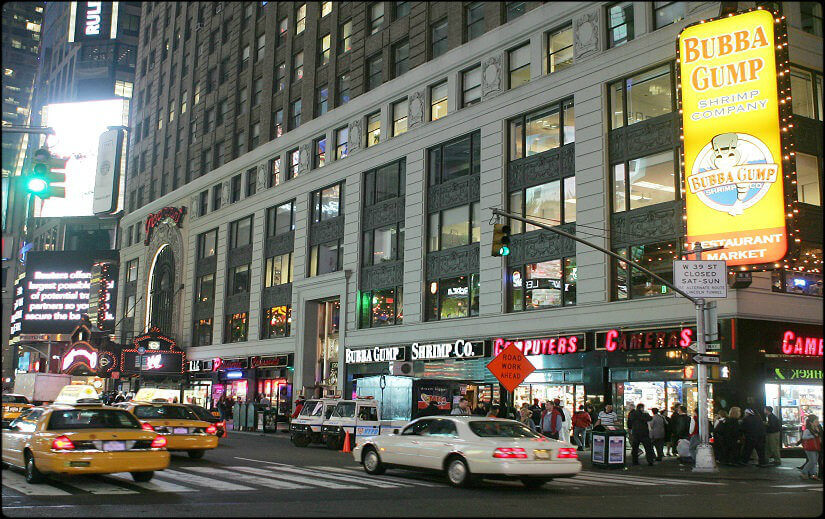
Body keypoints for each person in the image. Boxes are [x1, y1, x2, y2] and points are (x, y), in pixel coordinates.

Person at [798, 415, 821, 480]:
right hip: (810, 447)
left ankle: (813, 474)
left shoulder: (817, 428)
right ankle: (804, 472)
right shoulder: (808, 430)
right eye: (816, 421)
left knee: (815, 461)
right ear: (811, 422)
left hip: (815, 446)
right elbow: (804, 437)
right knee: (812, 461)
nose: (817, 423)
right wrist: (813, 436)